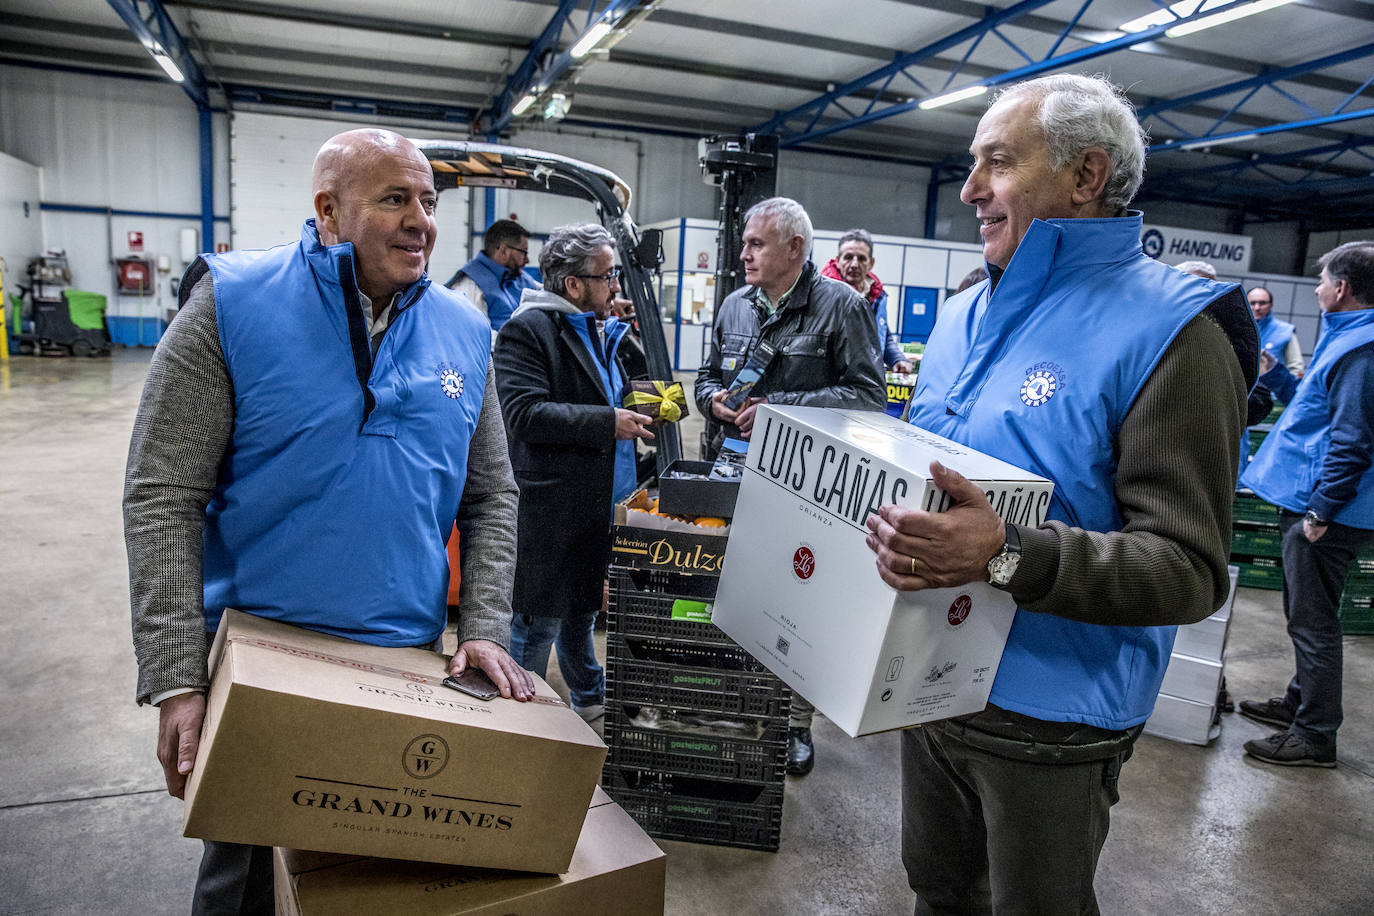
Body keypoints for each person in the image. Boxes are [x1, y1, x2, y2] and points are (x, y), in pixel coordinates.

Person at [864, 74, 1255, 913]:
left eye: (997, 164)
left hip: (1054, 719)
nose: (970, 190)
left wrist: (1007, 552)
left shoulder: (1177, 334)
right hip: (929, 675)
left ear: (1085, 175)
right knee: (937, 890)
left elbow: (1188, 568)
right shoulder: (969, 312)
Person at [125, 128, 534, 916]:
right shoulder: (232, 305)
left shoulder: (466, 332)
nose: (421, 219)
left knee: (373, 881)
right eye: (394, 199)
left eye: (427, 200)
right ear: (328, 210)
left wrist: (483, 622)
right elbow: (161, 490)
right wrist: (177, 677)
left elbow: (491, 495)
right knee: (241, 880)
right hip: (261, 664)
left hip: (405, 665)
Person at [695, 196, 886, 776]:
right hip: (730, 473)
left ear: (795, 249)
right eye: (745, 242)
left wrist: (780, 407)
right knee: (734, 594)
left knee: (796, 608)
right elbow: (707, 376)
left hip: (804, 489)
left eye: (756, 244)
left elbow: (868, 397)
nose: (743, 253)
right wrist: (713, 402)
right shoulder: (733, 306)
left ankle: (794, 724)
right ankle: (733, 704)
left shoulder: (842, 307)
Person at [493, 223, 654, 723]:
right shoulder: (529, 330)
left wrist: (647, 403)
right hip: (552, 508)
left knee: (582, 610)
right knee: (539, 622)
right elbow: (523, 414)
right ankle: (519, 717)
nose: (615, 288)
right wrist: (609, 423)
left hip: (594, 504)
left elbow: (602, 392)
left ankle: (587, 694)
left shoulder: (594, 328)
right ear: (573, 284)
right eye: (607, 277)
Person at [1238, 241, 1374, 768]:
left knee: (1313, 623)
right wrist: (1274, 375)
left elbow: (1353, 440)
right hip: (1316, 501)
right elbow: (1312, 408)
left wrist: (1322, 510)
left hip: (1325, 512)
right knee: (1307, 615)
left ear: (1340, 289)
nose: (1316, 288)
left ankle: (1315, 734)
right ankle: (1299, 705)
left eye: (1321, 280)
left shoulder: (1362, 348)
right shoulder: (1349, 339)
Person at [821, 228, 914, 373]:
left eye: (861, 258)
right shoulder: (822, 294)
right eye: (848, 257)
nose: (854, 264)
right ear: (838, 261)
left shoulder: (877, 296)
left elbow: (883, 333)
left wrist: (897, 359)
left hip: (866, 380)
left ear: (871, 263)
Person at [447, 218, 539, 333]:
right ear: (503, 250)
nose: (527, 260)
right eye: (523, 252)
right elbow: (477, 336)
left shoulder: (521, 278)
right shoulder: (471, 287)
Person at [1248, 284, 1306, 376]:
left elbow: (1296, 368)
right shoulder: (1235, 330)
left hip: (1272, 387)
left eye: (1262, 303)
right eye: (1252, 303)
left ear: (1271, 305)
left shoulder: (1285, 331)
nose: (1257, 307)